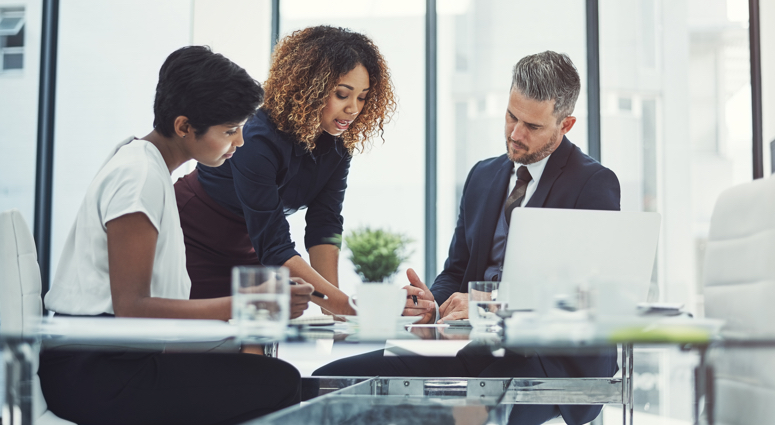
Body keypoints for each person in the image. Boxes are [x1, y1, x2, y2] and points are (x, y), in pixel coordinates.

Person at [315, 51, 620, 425]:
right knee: (331, 384)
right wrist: (433, 303)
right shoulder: (482, 176)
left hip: (544, 361)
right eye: (511, 116)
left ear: (566, 124)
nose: (515, 134)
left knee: (447, 414)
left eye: (533, 126)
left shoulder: (592, 184)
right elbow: (456, 270)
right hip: (473, 349)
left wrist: (488, 302)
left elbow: (588, 296)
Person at [39, 46, 314, 425]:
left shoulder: (144, 164)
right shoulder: (138, 177)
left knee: (261, 372)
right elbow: (133, 309)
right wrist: (250, 302)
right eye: (230, 131)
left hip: (114, 360)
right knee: (279, 382)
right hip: (96, 374)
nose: (240, 143)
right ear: (184, 126)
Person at [175, 26, 397, 315]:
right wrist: (348, 307)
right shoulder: (256, 138)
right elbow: (275, 247)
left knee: (256, 348)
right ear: (309, 88)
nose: (353, 109)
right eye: (342, 94)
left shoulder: (338, 145)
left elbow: (325, 226)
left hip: (255, 249)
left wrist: (336, 313)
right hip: (195, 238)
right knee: (201, 347)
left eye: (363, 97)